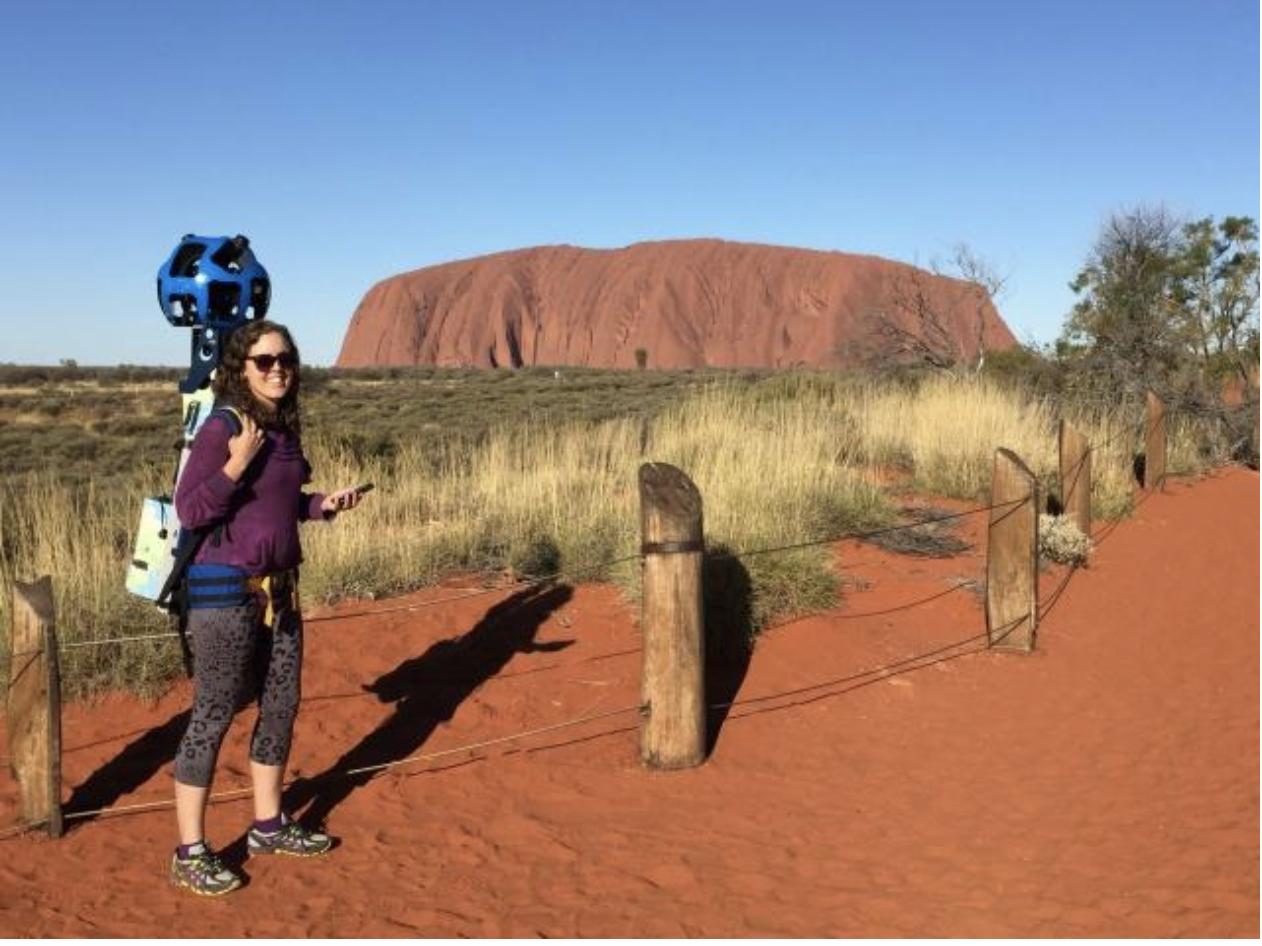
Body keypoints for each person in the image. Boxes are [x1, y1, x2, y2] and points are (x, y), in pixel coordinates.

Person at [169, 319, 366, 896]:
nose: (278, 369)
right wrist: (235, 463)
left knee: (280, 705)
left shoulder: (282, 429)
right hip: (224, 591)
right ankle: (190, 852)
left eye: (286, 359)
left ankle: (268, 825)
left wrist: (322, 505)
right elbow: (190, 510)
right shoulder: (226, 426)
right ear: (241, 368)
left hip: (281, 590)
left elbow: (279, 503)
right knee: (214, 712)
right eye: (264, 361)